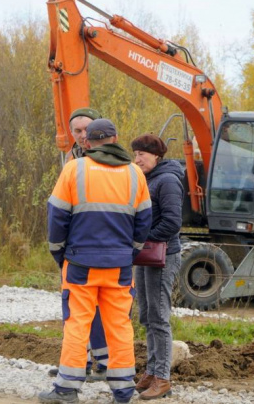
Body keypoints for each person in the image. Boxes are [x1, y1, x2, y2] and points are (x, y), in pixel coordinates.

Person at [41, 118, 152, 404]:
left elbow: (56, 217)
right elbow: (144, 222)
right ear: (115, 139)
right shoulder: (135, 174)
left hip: (80, 264)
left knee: (77, 323)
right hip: (119, 266)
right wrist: (128, 254)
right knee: (120, 325)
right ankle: (123, 391)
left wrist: (59, 254)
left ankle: (66, 389)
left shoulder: (74, 169)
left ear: (88, 142)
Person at [48, 107, 110, 382]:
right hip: (76, 247)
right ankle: (78, 362)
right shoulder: (71, 159)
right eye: (78, 130)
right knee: (74, 309)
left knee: (103, 309)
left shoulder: (113, 160)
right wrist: (60, 248)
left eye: (88, 129)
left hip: (102, 245)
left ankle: (106, 362)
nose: (83, 135)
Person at [130, 134, 184, 400]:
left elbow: (172, 222)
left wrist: (144, 240)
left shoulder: (168, 180)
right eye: (135, 154)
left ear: (156, 156)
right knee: (146, 315)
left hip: (162, 256)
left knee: (159, 317)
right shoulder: (148, 178)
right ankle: (151, 372)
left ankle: (163, 378)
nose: (137, 159)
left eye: (142, 154)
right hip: (146, 255)